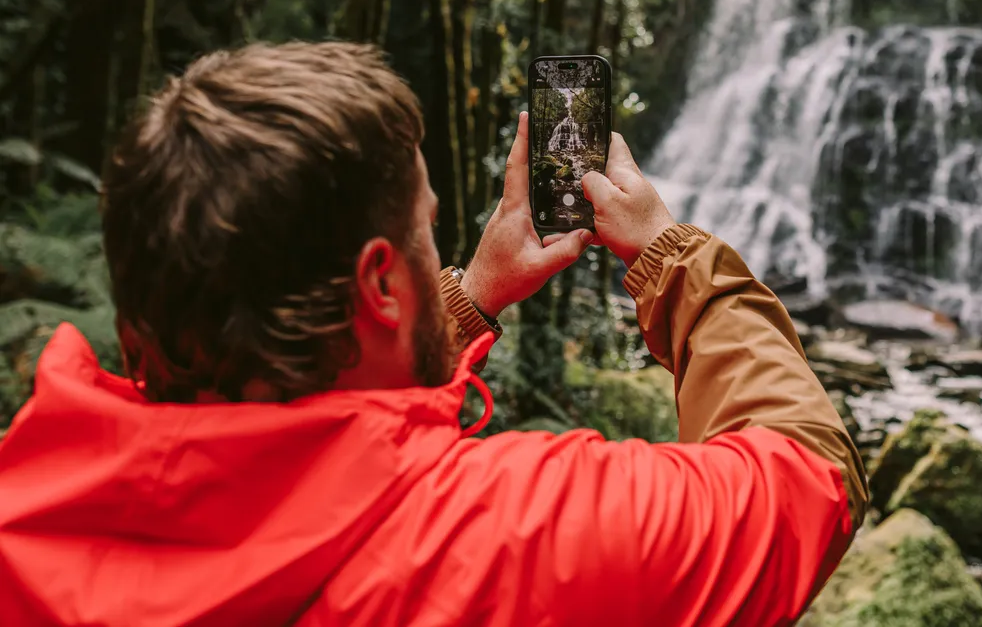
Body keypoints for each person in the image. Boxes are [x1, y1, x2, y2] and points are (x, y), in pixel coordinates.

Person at [0, 43, 868, 626]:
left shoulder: (29, 506)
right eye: (427, 228)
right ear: (381, 282)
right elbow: (807, 476)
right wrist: (673, 259)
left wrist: (466, 298)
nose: (437, 247)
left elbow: (302, 444)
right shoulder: (522, 535)